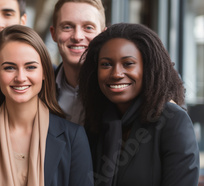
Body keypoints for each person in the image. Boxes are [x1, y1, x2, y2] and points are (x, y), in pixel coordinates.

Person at [0, 25, 93, 186]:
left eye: (30, 67)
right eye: (10, 68)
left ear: (45, 72)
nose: (20, 77)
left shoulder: (74, 137)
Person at [79, 23, 199, 186]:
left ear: (148, 68)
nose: (116, 74)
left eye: (128, 63)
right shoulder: (96, 123)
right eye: (106, 64)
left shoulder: (173, 121)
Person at [50, 0, 106, 125]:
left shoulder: (115, 93)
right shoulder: (37, 91)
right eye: (67, 27)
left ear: (103, 35)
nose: (77, 36)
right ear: (53, 34)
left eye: (88, 27)